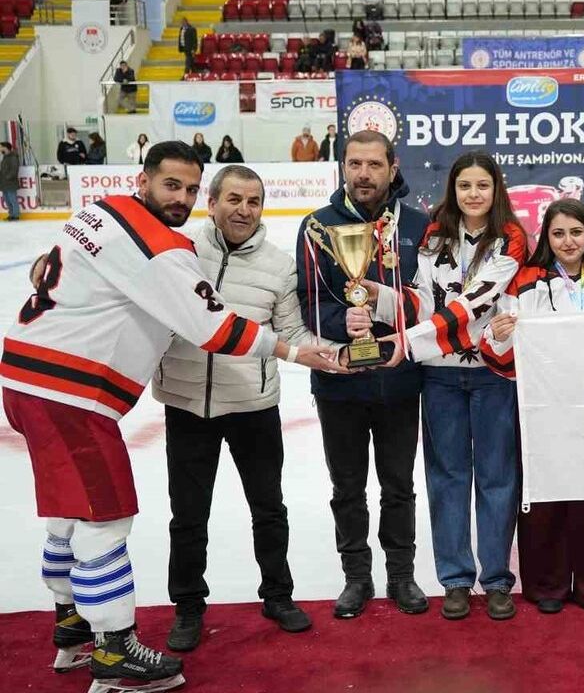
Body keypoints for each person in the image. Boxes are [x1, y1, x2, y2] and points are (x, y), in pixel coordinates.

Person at [2, 141, 339, 692]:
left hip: (25, 378)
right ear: (145, 180)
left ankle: (71, 624)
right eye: (171, 186)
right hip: (67, 393)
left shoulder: (100, 210)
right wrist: (295, 353)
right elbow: (214, 329)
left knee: (66, 511)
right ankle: (114, 652)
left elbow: (52, 266)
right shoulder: (162, 247)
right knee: (105, 516)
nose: (179, 198)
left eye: (187, 188)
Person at [347, 151, 527, 621]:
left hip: (493, 375)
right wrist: (375, 295)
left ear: (496, 189)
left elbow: (477, 302)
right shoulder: (434, 235)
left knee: (497, 478)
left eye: (482, 186)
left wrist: (403, 344)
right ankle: (455, 578)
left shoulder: (511, 238)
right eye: (465, 185)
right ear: (454, 189)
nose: (473, 194)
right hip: (441, 378)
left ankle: (496, 579)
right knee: (447, 478)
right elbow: (423, 300)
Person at [157, 165, 315, 651]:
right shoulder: (179, 253)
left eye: (253, 201)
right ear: (213, 201)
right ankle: (187, 607)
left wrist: (338, 353)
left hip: (253, 405)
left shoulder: (278, 265)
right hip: (187, 404)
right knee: (188, 515)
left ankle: (278, 594)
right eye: (234, 199)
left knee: (268, 508)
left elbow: (291, 334)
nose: (244, 210)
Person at [294, 130, 432, 620]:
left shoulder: (418, 224)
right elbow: (310, 301)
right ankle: (356, 576)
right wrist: (341, 323)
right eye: (355, 164)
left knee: (398, 485)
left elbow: (429, 301)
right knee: (347, 487)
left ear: (392, 168)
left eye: (374, 165)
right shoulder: (316, 227)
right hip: (339, 382)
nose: (364, 174)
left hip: (399, 380)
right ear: (343, 167)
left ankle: (401, 574)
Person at [479, 200, 584, 614]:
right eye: (558, 233)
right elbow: (499, 348)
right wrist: (501, 332)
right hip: (543, 407)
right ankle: (547, 584)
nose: (567, 241)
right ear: (546, 237)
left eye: (576, 232)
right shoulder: (526, 281)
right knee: (545, 494)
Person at [0, 141, 18, 221]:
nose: (0, 149)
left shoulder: (13, 157)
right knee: (7, 200)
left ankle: (16, 215)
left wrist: (7, 177)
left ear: (6, 147)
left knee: (12, 199)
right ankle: (11, 214)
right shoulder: (4, 157)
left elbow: (14, 170)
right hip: (4, 183)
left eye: (1, 147)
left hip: (11, 183)